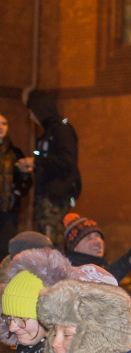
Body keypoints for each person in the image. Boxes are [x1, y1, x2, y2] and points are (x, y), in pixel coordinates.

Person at [19, 91, 80, 248]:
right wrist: (34, 165)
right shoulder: (48, 133)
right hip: (46, 198)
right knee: (46, 243)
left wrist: (36, 161)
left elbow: (66, 161)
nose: (32, 117)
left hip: (55, 198)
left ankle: (57, 273)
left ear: (41, 109)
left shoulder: (62, 130)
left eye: (33, 112)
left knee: (51, 244)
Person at [62, 213, 131, 284]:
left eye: (98, 236)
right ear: (74, 247)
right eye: (88, 238)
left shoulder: (100, 267)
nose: (97, 241)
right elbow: (103, 280)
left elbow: (110, 273)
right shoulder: (70, 276)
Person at [0, 115, 30, 254]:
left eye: (4, 123)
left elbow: (27, 178)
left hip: (9, 209)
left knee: (6, 249)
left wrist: (19, 191)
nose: (1, 127)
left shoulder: (15, 153)